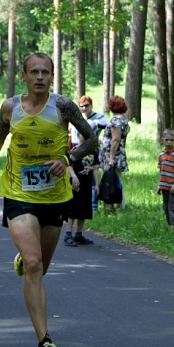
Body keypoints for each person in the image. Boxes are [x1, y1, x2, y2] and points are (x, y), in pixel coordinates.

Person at [0, 53, 97, 347]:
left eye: (45, 72)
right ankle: (44, 342)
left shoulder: (64, 107)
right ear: (24, 76)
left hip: (54, 196)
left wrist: (67, 161)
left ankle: (26, 259)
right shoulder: (10, 108)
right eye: (34, 72)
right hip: (18, 192)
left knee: (42, 268)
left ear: (52, 76)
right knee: (33, 264)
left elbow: (92, 139)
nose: (39, 77)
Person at [64, 95, 106, 246]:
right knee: (73, 208)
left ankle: (79, 234)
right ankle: (68, 233)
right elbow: (68, 164)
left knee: (84, 209)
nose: (84, 137)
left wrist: (97, 184)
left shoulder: (93, 152)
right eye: (82, 134)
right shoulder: (75, 150)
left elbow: (95, 167)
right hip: (76, 182)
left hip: (88, 183)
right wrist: (73, 177)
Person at [99, 95, 130, 210]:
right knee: (114, 179)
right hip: (114, 153)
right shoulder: (122, 119)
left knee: (111, 180)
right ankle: (114, 205)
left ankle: (115, 205)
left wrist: (111, 157)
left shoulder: (116, 120)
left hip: (112, 155)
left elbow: (115, 139)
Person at [156, 128, 174, 229]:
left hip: (173, 188)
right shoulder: (161, 155)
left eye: (171, 140)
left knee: (173, 207)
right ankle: (170, 225)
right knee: (166, 207)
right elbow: (161, 171)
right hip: (165, 187)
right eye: (166, 140)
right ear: (162, 140)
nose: (168, 142)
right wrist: (159, 184)